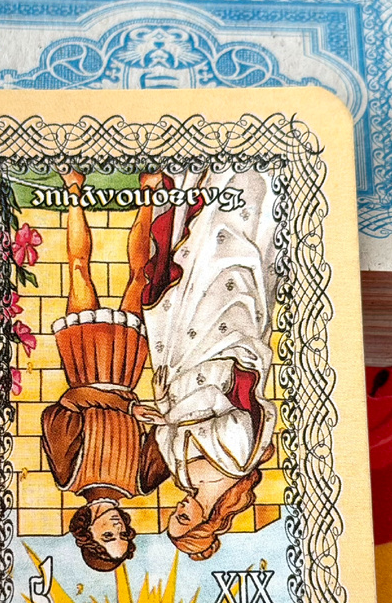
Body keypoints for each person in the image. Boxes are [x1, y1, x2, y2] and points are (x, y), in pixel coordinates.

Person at [136, 165, 280, 561]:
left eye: (174, 515)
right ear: (207, 522)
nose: (179, 509)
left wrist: (161, 413)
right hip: (219, 353)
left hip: (177, 362)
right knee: (221, 269)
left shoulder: (182, 475)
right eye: (184, 519)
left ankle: (189, 184)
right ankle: (236, 184)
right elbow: (226, 403)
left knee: (179, 280)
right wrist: (171, 418)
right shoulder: (238, 461)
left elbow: (168, 424)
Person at [40, 169, 169, 572]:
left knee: (79, 269)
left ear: (87, 531)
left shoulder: (68, 476)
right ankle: (148, 191)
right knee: (140, 277)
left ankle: (73, 186)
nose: (117, 528)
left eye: (107, 536)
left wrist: (126, 410)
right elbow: (171, 434)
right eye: (123, 534)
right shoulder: (142, 483)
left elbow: (67, 403)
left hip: (84, 362)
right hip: (128, 366)